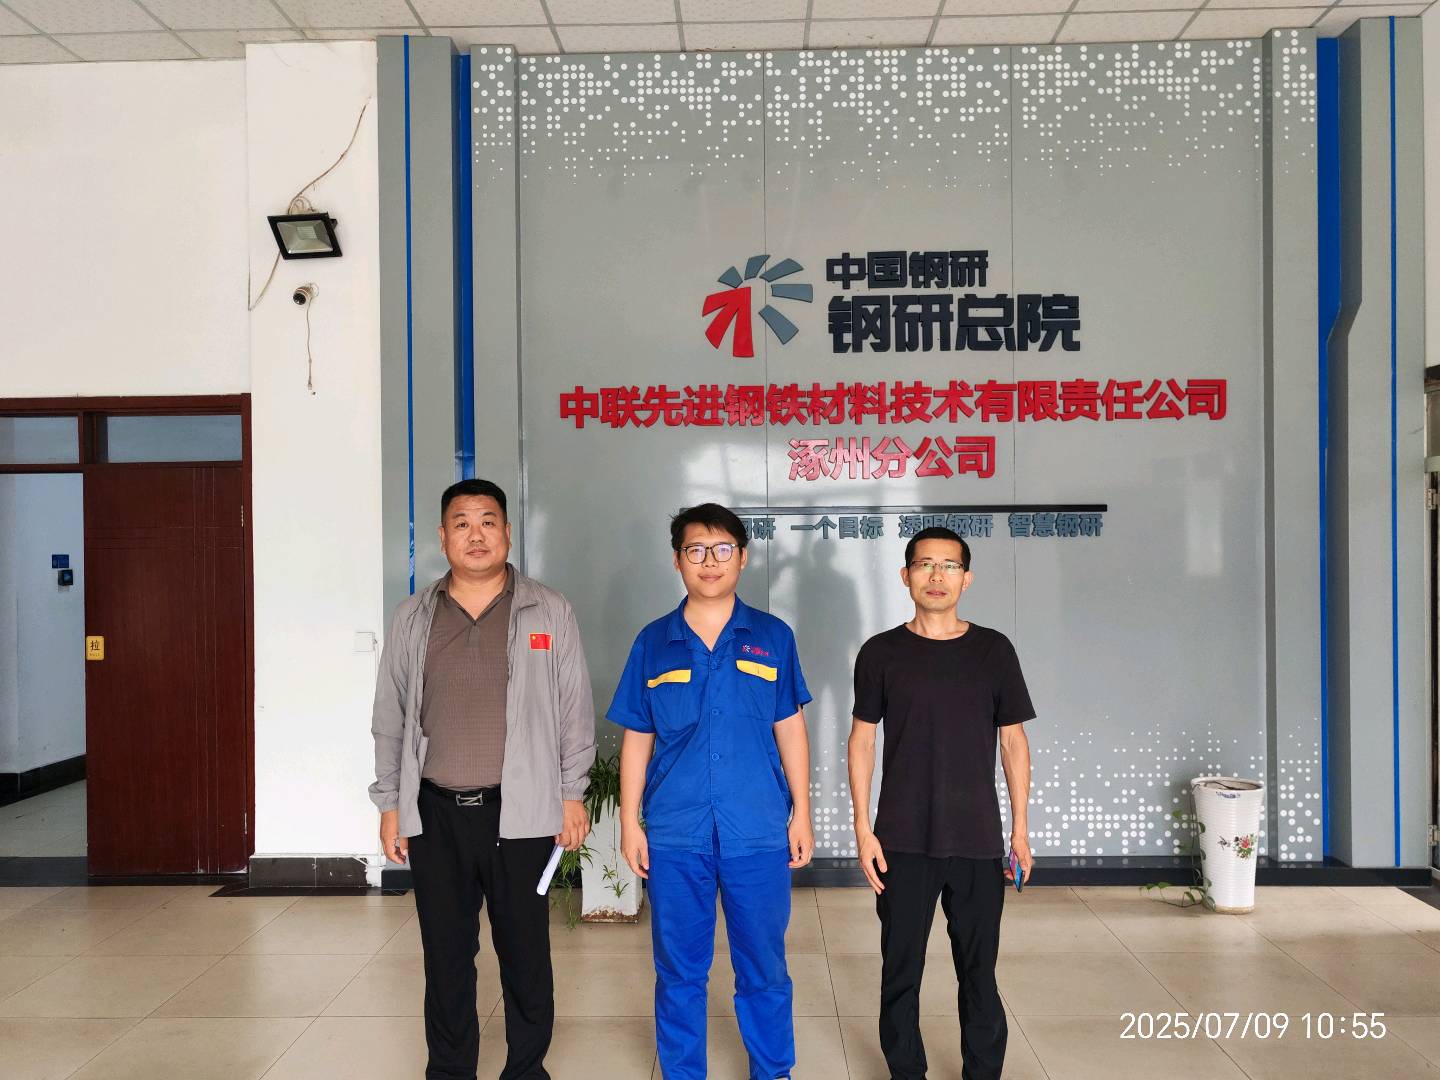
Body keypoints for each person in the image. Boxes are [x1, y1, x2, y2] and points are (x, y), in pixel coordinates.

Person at [369, 478, 596, 1080]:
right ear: (442, 536)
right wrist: (390, 804)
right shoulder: (414, 616)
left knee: (526, 953)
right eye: (462, 523)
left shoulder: (548, 609)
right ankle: (449, 1072)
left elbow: (574, 710)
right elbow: (390, 716)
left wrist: (572, 793)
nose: (476, 535)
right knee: (446, 956)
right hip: (434, 812)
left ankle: (526, 1070)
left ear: (508, 533)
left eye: (488, 521)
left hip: (521, 813)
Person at [608, 503, 814, 1080]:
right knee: (678, 970)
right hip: (677, 832)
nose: (709, 561)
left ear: (742, 558)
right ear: (677, 561)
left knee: (764, 967)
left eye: (723, 549)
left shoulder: (773, 637)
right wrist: (629, 822)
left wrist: (801, 812)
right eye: (695, 550)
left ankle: (773, 1071)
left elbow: (790, 727)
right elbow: (638, 737)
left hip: (756, 829)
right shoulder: (653, 642)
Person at [847, 526, 1035, 1080]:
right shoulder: (881, 653)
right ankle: (907, 1071)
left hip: (977, 841)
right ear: (905, 576)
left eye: (949, 565)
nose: (936, 575)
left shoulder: (994, 650)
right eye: (924, 564)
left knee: (979, 973)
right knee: (900, 972)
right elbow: (862, 741)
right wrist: (863, 829)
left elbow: (1013, 742)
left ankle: (983, 1072)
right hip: (901, 841)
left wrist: (1020, 831)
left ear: (966, 578)